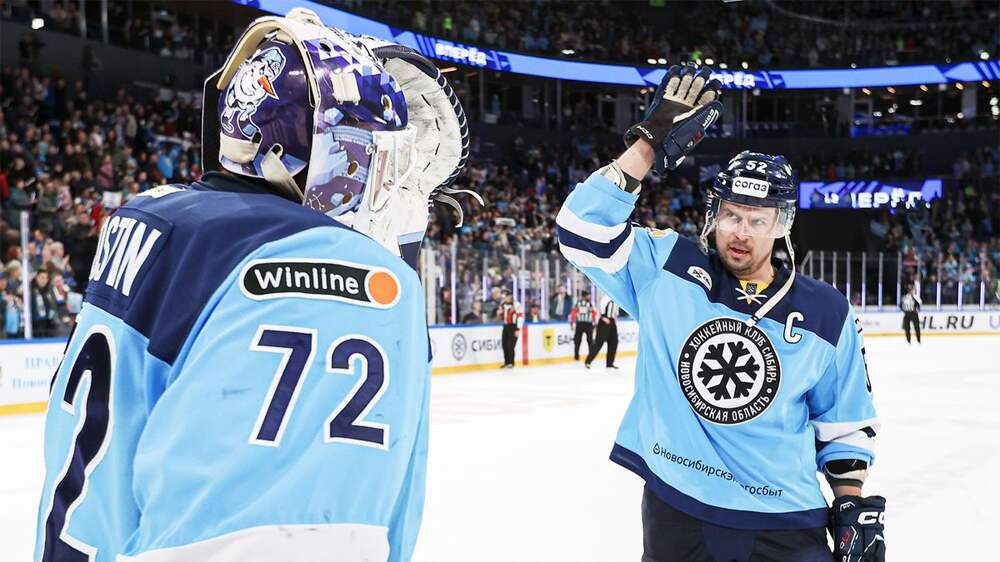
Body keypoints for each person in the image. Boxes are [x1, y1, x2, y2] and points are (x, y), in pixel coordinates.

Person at [35, 8, 473, 562]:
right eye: (366, 151)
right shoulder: (322, 261)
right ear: (316, 148)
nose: (379, 177)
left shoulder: (152, 217)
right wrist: (392, 256)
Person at [557, 63, 885, 562]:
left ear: (782, 225)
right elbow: (581, 232)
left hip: (784, 519)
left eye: (758, 220)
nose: (741, 232)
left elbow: (843, 424)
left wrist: (849, 505)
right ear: (713, 214)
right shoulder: (666, 266)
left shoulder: (826, 312)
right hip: (678, 507)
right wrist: (648, 144)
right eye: (731, 214)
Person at [584, 294, 620, 370]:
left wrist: (614, 321)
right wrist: (603, 318)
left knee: (614, 343)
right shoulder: (605, 298)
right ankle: (588, 361)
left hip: (612, 322)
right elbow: (598, 310)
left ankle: (609, 363)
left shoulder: (617, 298)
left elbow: (616, 312)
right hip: (604, 322)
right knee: (598, 343)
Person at [497, 289, 523, 368]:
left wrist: (518, 329)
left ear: (510, 296)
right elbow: (501, 315)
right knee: (504, 344)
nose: (505, 298)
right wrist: (499, 313)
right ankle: (506, 362)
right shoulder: (503, 304)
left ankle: (511, 362)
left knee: (510, 345)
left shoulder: (516, 304)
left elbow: (520, 317)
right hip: (506, 326)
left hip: (513, 326)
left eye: (506, 296)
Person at [570, 289, 596, 360]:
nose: (589, 296)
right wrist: (572, 322)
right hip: (582, 323)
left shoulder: (590, 303)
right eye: (588, 295)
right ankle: (577, 355)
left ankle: (589, 356)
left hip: (586, 324)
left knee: (589, 340)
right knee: (579, 340)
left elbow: (594, 313)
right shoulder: (579, 303)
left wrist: (594, 323)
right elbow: (574, 313)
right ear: (584, 296)